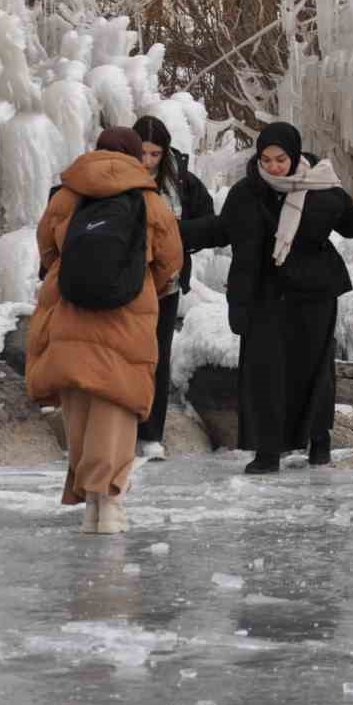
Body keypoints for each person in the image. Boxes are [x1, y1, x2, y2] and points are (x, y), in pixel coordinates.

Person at [26, 127, 183, 535]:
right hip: (127, 314)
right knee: (118, 404)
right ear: (135, 156)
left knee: (79, 403)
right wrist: (144, 279)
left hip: (71, 313)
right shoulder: (150, 201)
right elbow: (170, 260)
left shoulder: (66, 195)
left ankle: (87, 501)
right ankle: (109, 503)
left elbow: (46, 249)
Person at [219, 121, 353, 475]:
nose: (272, 167)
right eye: (265, 160)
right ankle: (268, 450)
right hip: (264, 296)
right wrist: (175, 233)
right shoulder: (246, 193)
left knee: (313, 371)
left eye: (280, 159)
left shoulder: (321, 188)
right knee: (264, 372)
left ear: (294, 155)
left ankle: (319, 441)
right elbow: (222, 230)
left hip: (313, 296)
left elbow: (350, 220)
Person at [130, 115, 219, 460]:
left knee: (158, 355)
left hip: (165, 281)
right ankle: (121, 427)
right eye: (142, 153)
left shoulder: (180, 181)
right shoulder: (116, 176)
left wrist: (173, 239)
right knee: (125, 352)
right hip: (124, 281)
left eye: (155, 154)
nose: (148, 161)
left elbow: (210, 223)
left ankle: (152, 434)